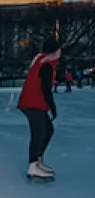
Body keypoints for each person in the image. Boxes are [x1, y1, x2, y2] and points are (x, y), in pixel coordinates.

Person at [17, 37, 61, 180]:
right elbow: (45, 89)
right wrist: (52, 108)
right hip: (33, 103)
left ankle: (37, 160)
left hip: (33, 102)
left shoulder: (41, 61)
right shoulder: (46, 65)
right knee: (39, 134)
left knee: (48, 130)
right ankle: (33, 166)